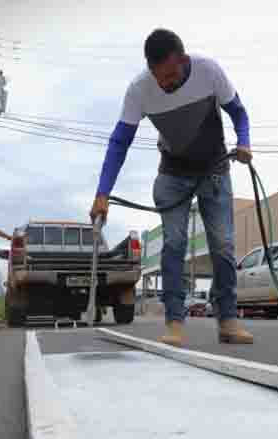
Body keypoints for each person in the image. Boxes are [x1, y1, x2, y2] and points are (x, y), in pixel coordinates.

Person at [90, 28, 253, 346]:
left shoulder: (209, 71)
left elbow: (239, 113)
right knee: (174, 244)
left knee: (223, 246)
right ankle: (174, 323)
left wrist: (244, 141)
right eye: (158, 76)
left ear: (183, 60)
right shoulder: (139, 90)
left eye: (170, 75)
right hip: (173, 174)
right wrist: (102, 194)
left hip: (215, 169)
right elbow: (119, 142)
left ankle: (228, 321)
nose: (164, 83)